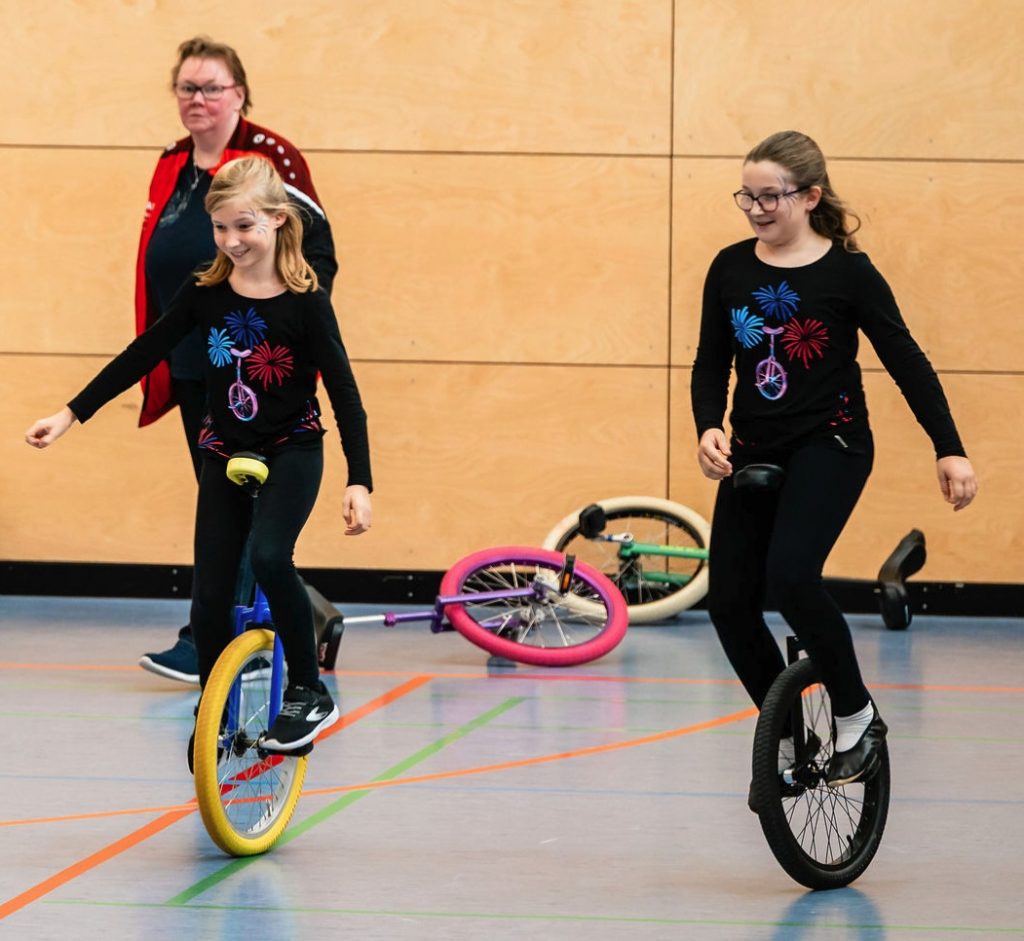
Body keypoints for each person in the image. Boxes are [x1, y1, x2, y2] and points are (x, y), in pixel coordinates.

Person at [26, 156, 372, 757]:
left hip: (293, 449)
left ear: (277, 221)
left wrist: (360, 481)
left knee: (268, 556)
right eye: (220, 227)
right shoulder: (206, 292)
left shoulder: (304, 300)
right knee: (209, 598)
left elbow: (344, 392)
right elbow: (144, 351)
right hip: (223, 451)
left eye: (245, 226)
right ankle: (216, 706)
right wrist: (69, 413)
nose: (232, 241)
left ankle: (308, 692)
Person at [690, 130, 977, 801]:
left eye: (771, 196)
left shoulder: (847, 273)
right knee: (730, 601)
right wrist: (707, 425)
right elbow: (711, 359)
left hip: (834, 442)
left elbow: (907, 360)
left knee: (790, 575)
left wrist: (949, 445)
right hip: (754, 448)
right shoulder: (730, 267)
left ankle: (855, 712)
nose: (756, 209)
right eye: (747, 196)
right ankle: (788, 728)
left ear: (810, 195)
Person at [137, 35, 338, 685]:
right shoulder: (172, 164)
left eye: (211, 87)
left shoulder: (269, 157)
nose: (197, 99)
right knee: (221, 495)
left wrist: (287, 337)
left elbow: (319, 252)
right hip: (198, 361)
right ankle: (299, 617)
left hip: (257, 361)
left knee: (242, 503)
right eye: (187, 88)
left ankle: (217, 638)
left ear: (239, 93)